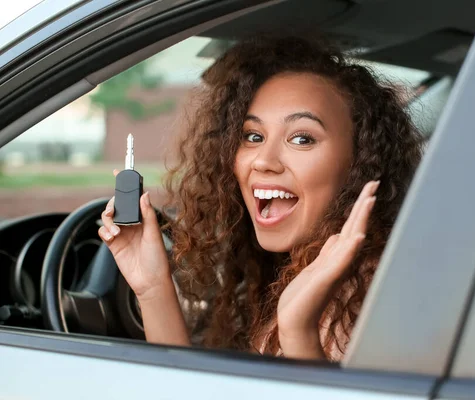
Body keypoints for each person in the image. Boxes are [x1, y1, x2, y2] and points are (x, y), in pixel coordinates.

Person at [98, 34, 422, 361]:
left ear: (360, 162)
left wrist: (298, 332)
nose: (263, 160)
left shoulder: (364, 297)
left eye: (302, 139)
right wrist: (153, 286)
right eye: (253, 136)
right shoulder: (300, 270)